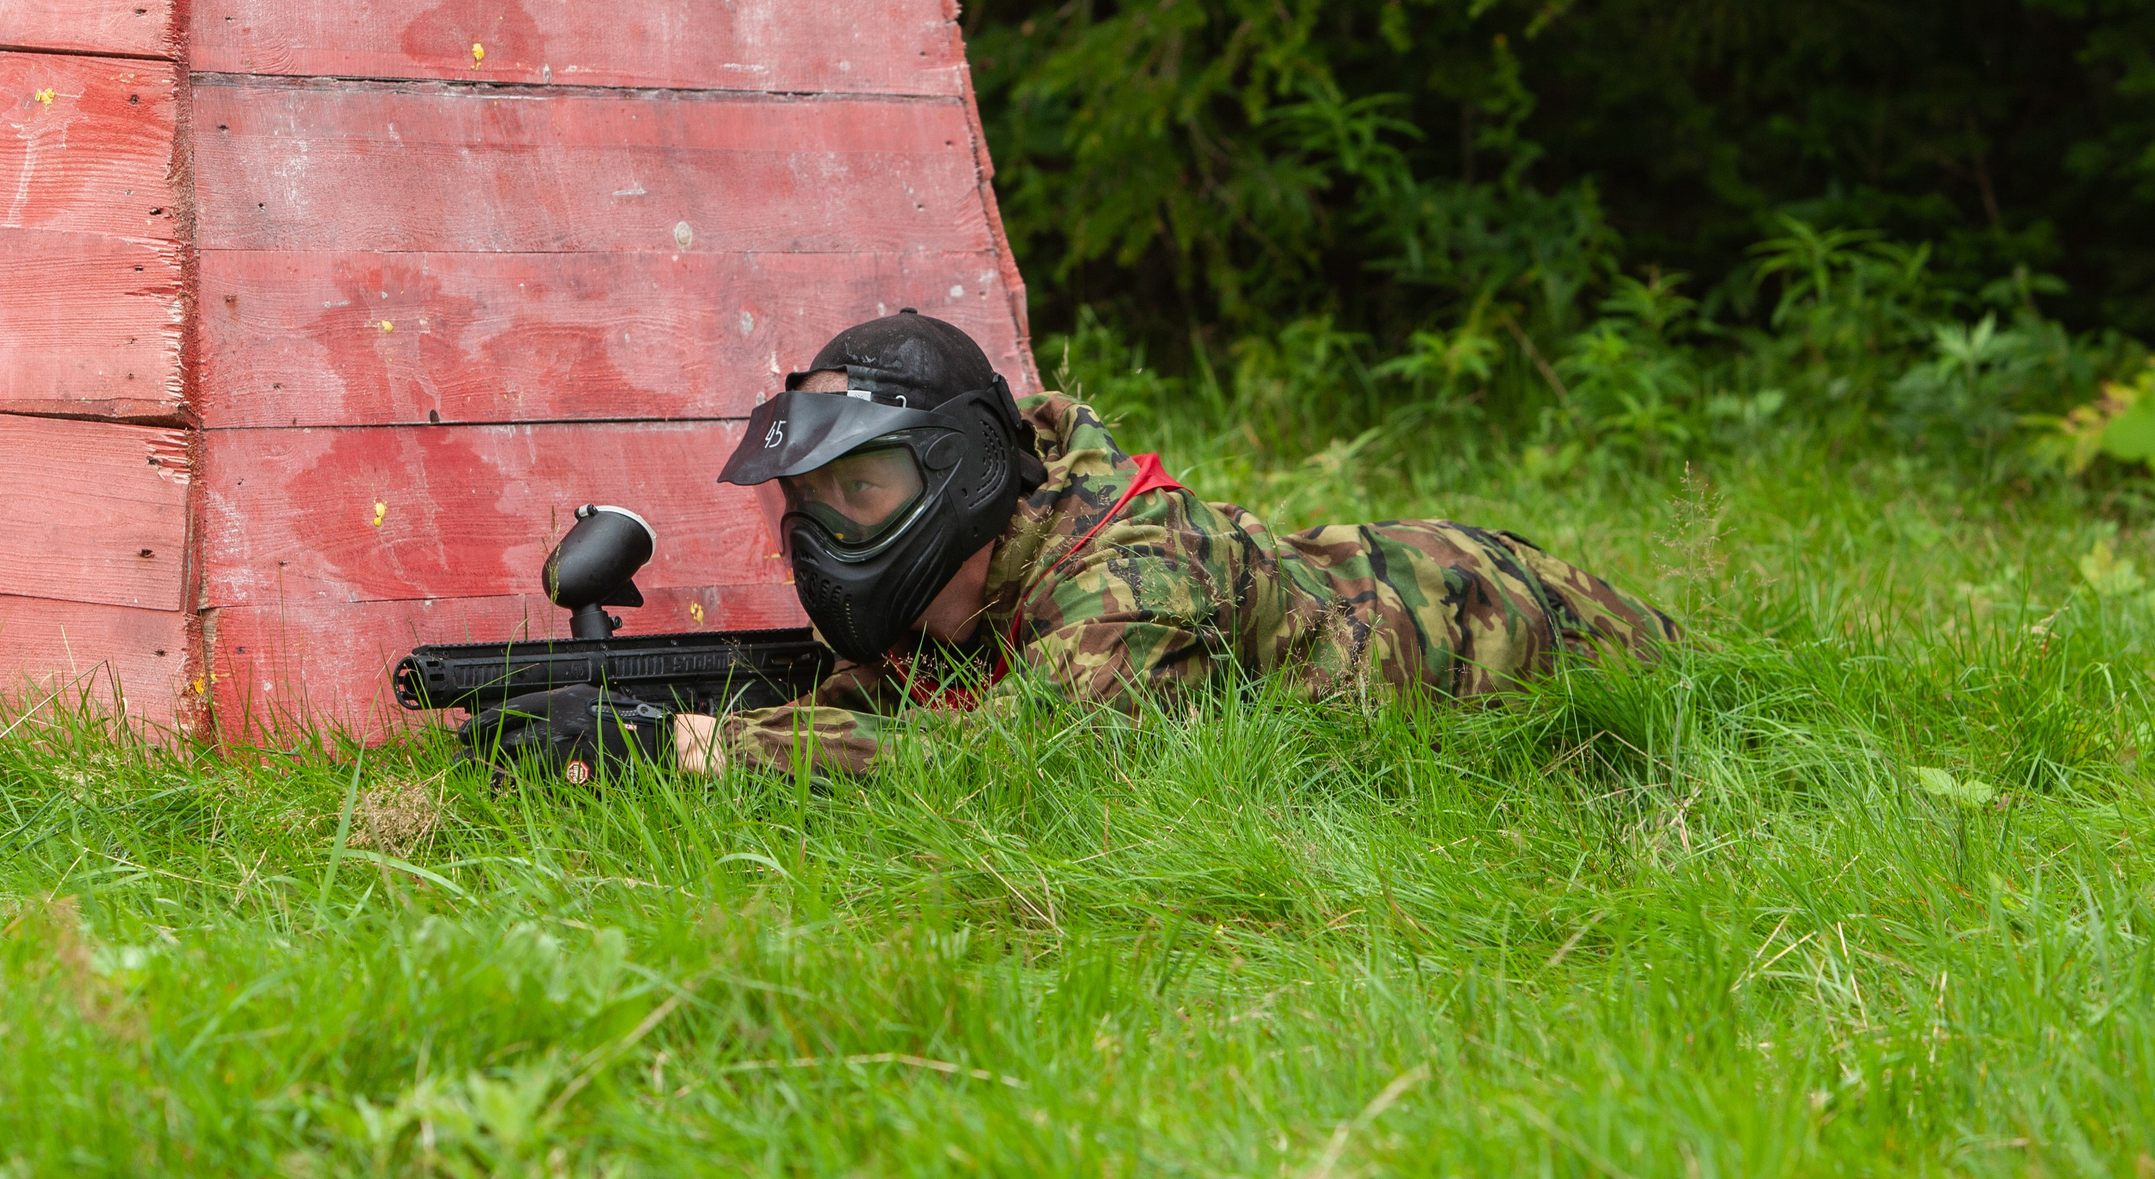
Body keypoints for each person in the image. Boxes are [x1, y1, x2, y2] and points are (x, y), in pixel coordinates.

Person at [668, 309, 1681, 776]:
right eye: (812, 499)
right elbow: (881, 704)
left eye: (860, 487)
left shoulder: (1131, 581)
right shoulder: (981, 568)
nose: (830, 529)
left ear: (964, 472)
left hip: (1508, 619)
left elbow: (1018, 762)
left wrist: (701, 751)